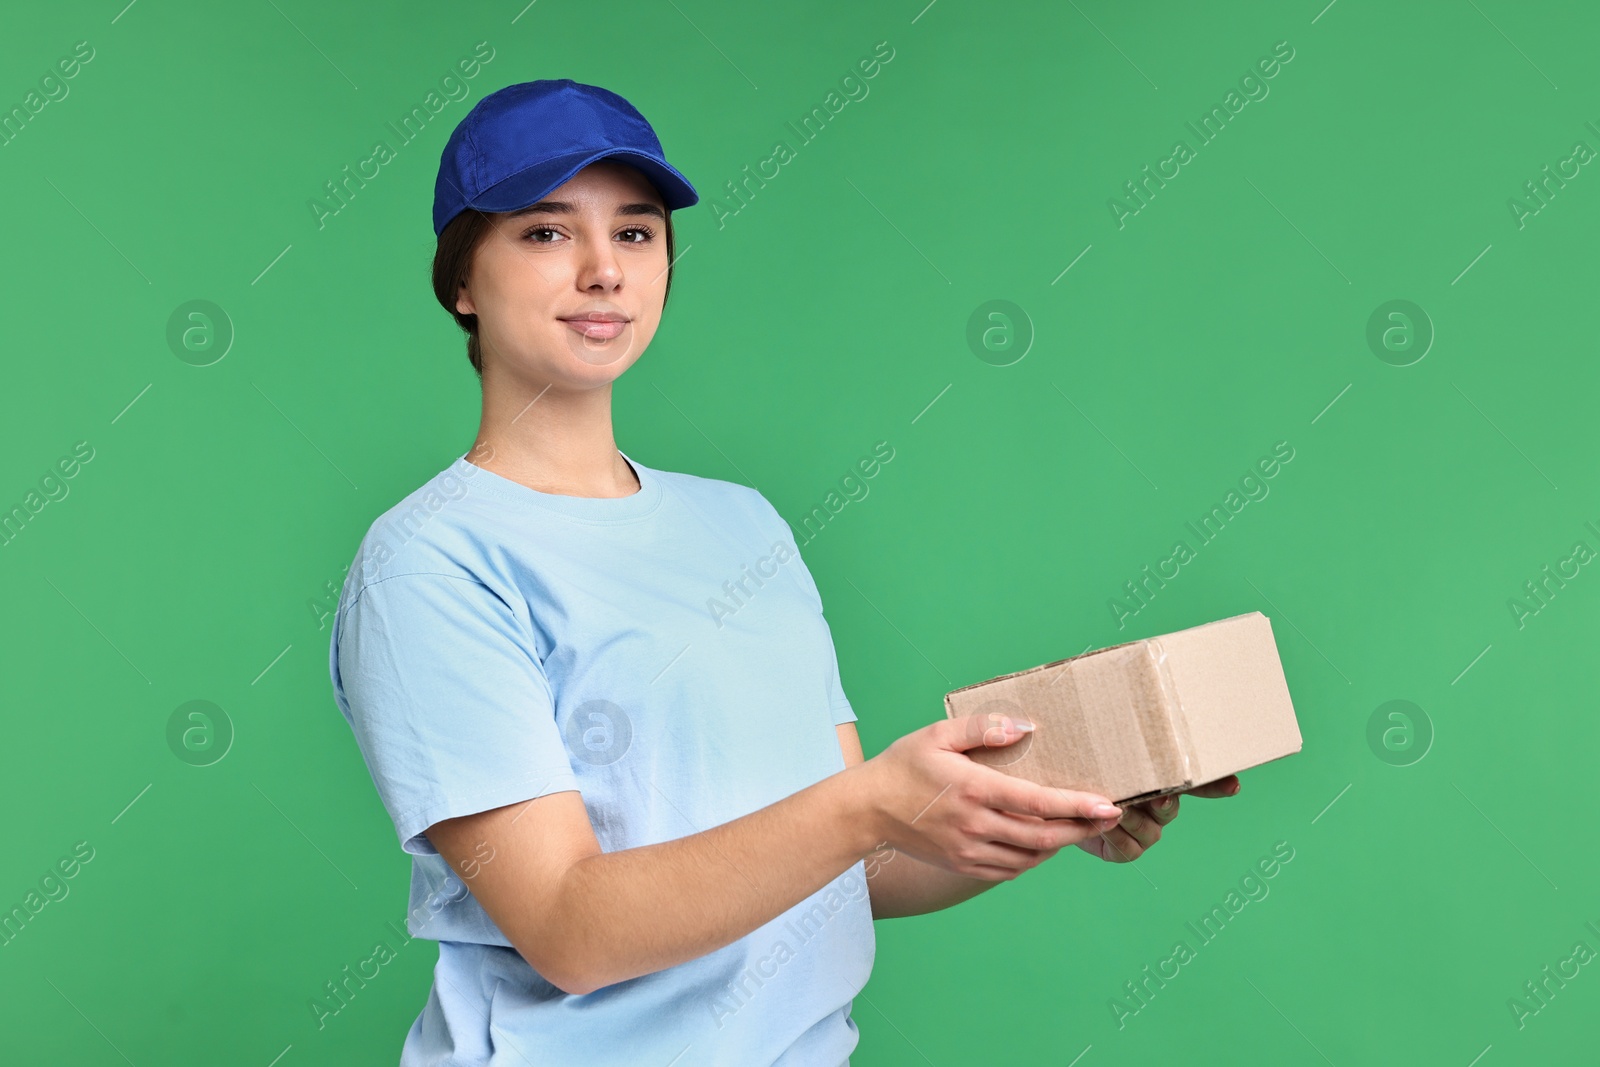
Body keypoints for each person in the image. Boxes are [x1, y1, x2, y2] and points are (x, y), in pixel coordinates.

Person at [327, 78, 1240, 1066]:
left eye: (635, 234)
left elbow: (855, 862)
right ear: (462, 279)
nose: (602, 271)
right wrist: (868, 802)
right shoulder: (431, 561)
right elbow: (568, 926)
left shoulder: (740, 524)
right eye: (546, 234)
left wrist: (1056, 792)